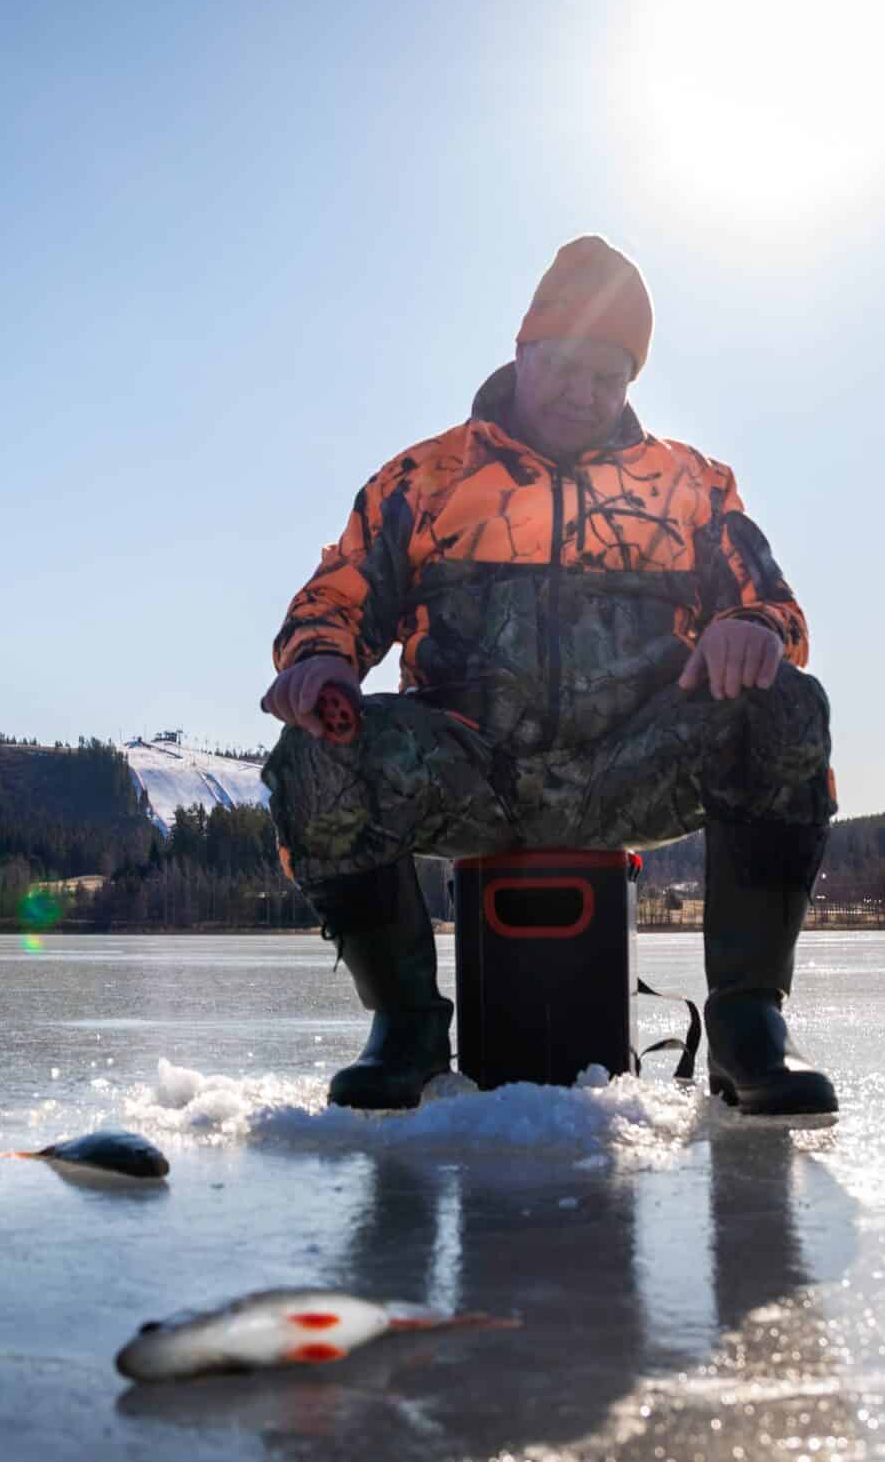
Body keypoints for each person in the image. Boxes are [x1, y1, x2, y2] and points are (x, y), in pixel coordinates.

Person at [259, 235, 839, 1117]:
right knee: (313, 753)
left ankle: (748, 1022)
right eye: (565, 366)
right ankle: (405, 1024)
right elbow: (331, 602)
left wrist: (749, 628)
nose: (583, 393)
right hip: (467, 775)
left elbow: (777, 610)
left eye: (609, 376)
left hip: (635, 767)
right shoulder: (423, 481)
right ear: (523, 350)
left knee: (786, 707)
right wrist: (319, 662)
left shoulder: (689, 485)